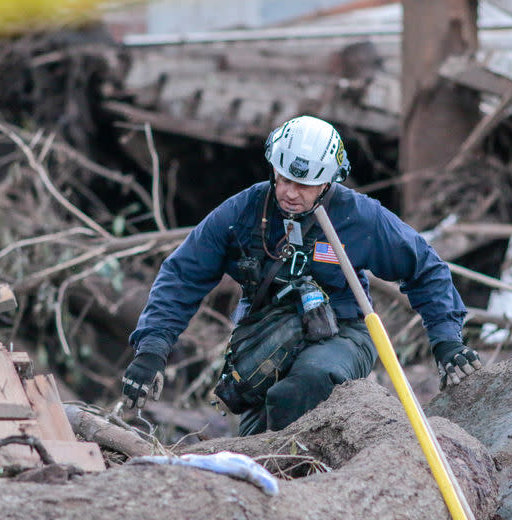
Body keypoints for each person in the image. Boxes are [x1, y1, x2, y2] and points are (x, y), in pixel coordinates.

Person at [121, 115, 481, 436]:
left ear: (327, 182)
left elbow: (426, 269)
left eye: (304, 185)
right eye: (284, 179)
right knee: (257, 433)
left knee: (300, 389)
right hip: (263, 338)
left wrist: (446, 341)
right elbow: (182, 274)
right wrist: (152, 350)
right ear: (273, 170)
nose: (291, 193)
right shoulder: (242, 211)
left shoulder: (361, 218)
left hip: (343, 334)